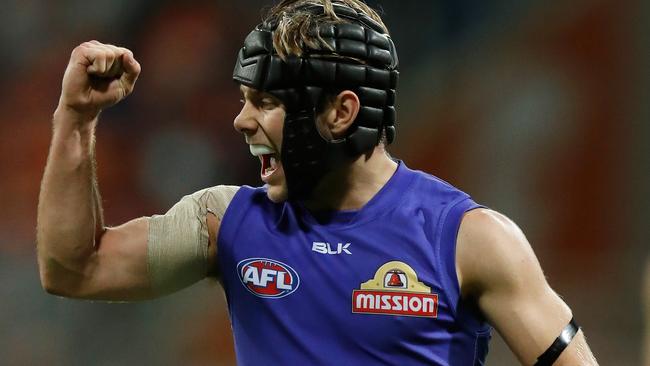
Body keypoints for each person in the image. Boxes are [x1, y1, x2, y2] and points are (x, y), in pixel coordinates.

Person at [36, 0, 599, 365]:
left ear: (340, 112)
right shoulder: (225, 223)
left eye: (266, 102)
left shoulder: (468, 240)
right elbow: (73, 268)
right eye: (243, 100)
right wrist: (76, 119)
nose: (241, 121)